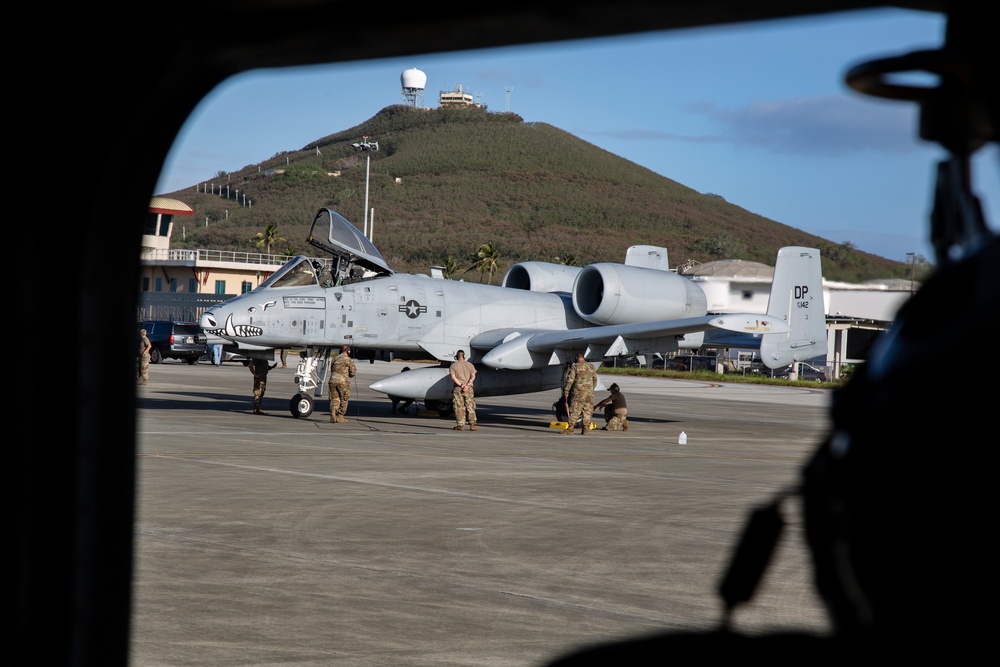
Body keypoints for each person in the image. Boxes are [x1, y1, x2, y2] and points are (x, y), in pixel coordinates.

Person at [562, 352, 597, 435]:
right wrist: (591, 388)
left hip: (579, 392)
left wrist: (566, 390)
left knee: (575, 410)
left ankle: (570, 428)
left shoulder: (575, 366)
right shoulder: (591, 366)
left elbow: (570, 380)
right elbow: (595, 379)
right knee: (587, 411)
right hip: (589, 393)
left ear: (577, 358)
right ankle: (585, 429)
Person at [449, 350, 477, 431]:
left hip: (458, 388)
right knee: (470, 406)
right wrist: (467, 385)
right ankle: (472, 425)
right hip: (469, 389)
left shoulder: (453, 366)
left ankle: (460, 425)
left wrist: (461, 385)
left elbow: (453, 377)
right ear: (464, 356)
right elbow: (473, 376)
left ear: (456, 356)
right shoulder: (470, 365)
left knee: (459, 407)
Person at [328, 345, 357, 423]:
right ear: (348, 351)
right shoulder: (348, 360)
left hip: (332, 381)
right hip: (343, 382)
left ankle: (333, 414)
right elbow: (353, 373)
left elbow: (331, 369)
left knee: (334, 399)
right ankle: (340, 417)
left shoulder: (334, 358)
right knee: (344, 399)